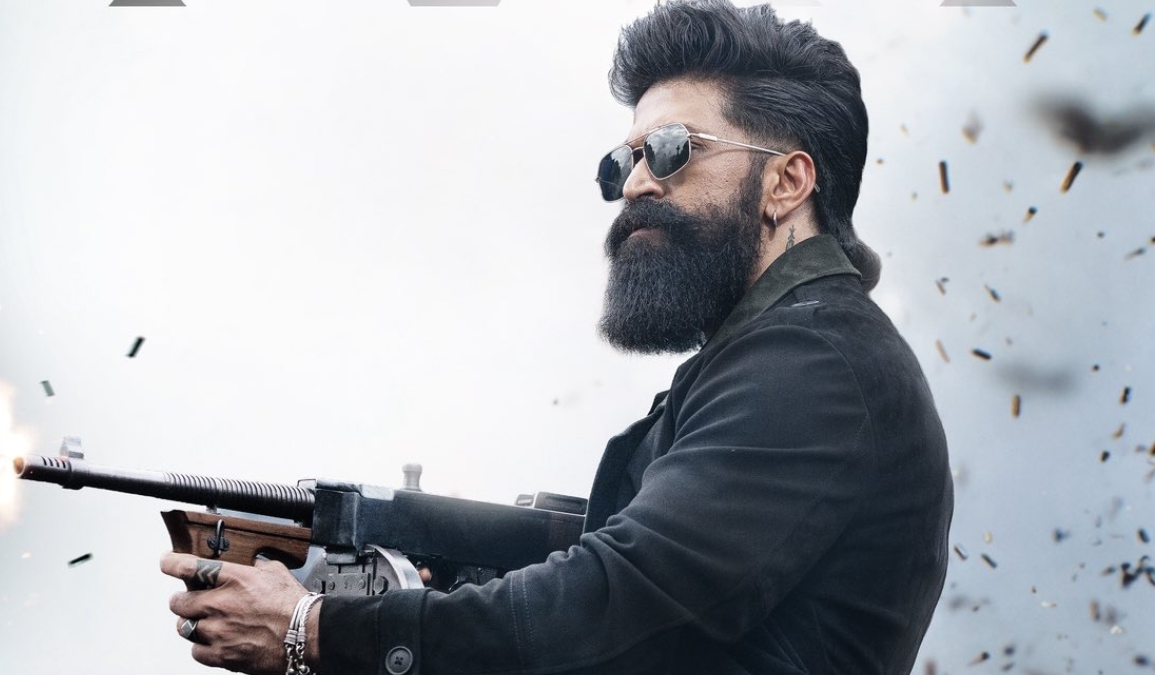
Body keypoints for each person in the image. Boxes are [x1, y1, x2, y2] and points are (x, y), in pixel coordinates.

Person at [161, 1, 953, 673]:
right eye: (623, 161)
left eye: (673, 151)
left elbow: (621, 600)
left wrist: (314, 630)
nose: (635, 182)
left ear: (786, 181)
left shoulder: (814, 363)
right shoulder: (774, 357)